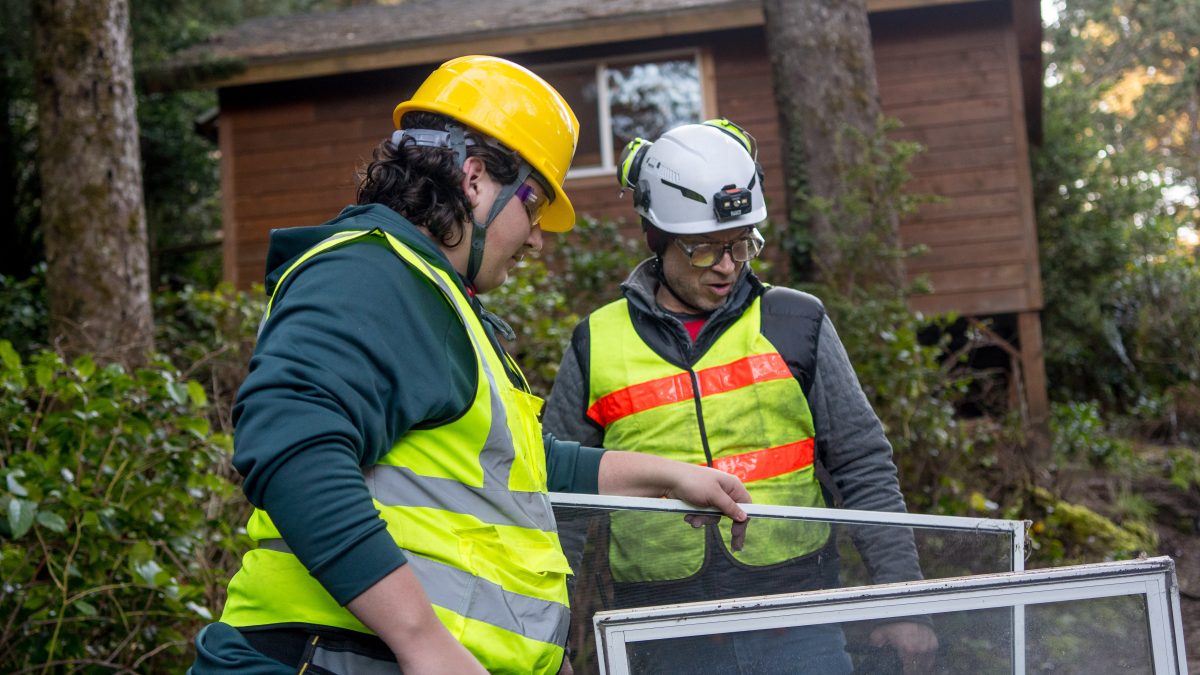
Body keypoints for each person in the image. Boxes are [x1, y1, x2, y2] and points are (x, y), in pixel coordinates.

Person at [188, 56, 751, 675]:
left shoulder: (434, 298)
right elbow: (291, 446)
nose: (537, 237)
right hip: (334, 659)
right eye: (534, 206)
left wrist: (668, 477)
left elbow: (528, 469)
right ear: (475, 178)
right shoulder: (371, 275)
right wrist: (424, 642)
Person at [543, 119, 939, 674]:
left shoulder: (796, 321)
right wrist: (543, 629)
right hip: (659, 635)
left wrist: (904, 599)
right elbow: (559, 501)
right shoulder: (596, 343)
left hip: (800, 620)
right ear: (657, 238)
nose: (728, 266)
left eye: (741, 244)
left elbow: (862, 461)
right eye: (705, 249)